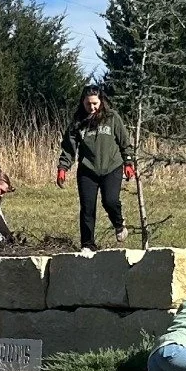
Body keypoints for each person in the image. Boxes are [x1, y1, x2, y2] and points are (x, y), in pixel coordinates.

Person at [57, 85, 135, 254]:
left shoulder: (112, 117)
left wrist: (128, 163)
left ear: (101, 101)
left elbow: (124, 142)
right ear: (82, 103)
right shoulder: (77, 122)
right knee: (87, 207)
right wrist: (63, 167)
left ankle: (119, 223)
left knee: (110, 200)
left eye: (95, 103)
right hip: (87, 169)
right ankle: (87, 244)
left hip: (112, 167)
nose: (91, 107)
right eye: (88, 104)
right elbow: (69, 148)